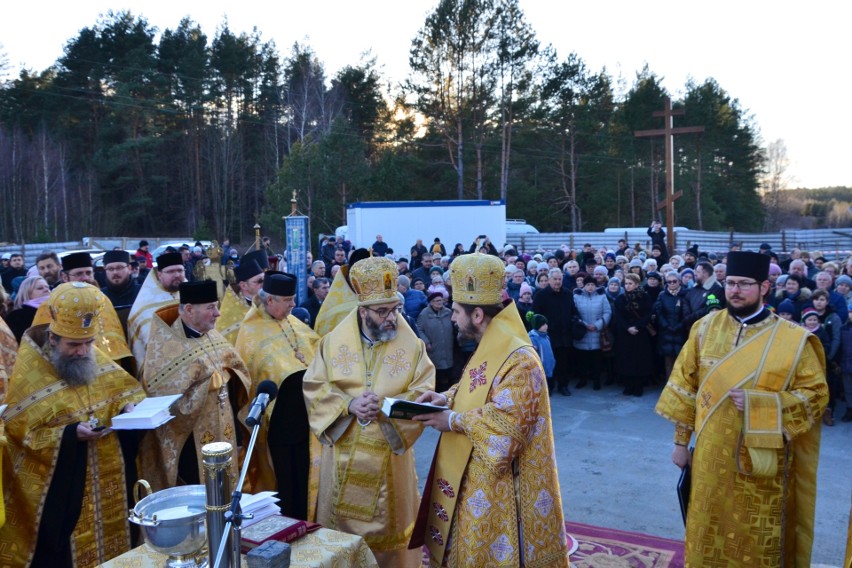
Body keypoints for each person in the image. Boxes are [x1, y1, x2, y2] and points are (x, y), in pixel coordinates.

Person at [655, 251, 828, 567]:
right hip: (709, 457)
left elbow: (815, 396)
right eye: (730, 283)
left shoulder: (792, 339)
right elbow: (685, 387)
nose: (734, 290)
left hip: (762, 462)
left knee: (755, 541)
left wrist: (762, 404)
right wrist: (681, 443)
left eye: (744, 284)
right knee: (707, 529)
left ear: (764, 286)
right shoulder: (705, 329)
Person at [411, 253, 569, 567]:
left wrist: (453, 420)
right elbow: (476, 385)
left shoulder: (521, 359)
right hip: (474, 473)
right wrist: (446, 397)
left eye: (456, 311)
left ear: (478, 315)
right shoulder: (491, 343)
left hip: (506, 490)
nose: (453, 318)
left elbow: (507, 428)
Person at [303, 255, 435, 566]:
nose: (392, 318)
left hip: (389, 461)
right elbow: (314, 387)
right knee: (342, 542)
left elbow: (424, 391)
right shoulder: (332, 344)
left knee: (391, 544)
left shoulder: (412, 346)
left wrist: (388, 408)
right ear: (362, 312)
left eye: (396, 309)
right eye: (382, 311)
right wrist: (347, 405)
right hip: (343, 458)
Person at [0, 283, 144, 567]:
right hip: (65, 494)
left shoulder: (93, 356)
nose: (82, 352)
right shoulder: (30, 376)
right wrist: (68, 434)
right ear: (52, 339)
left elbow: (126, 390)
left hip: (110, 478)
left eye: (88, 344)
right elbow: (19, 436)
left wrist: (128, 407)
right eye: (74, 345)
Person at [138, 280, 250, 491]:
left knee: (226, 490)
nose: (218, 313)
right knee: (200, 494)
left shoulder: (212, 335)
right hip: (190, 442)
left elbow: (238, 370)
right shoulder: (167, 347)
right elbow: (163, 399)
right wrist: (209, 384)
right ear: (189, 310)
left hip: (224, 426)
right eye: (210, 307)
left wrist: (229, 376)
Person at [235, 272, 320, 519]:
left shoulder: (293, 322)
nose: (294, 305)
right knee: (284, 479)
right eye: (288, 300)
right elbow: (250, 378)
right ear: (270, 300)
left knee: (304, 476)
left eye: (293, 299)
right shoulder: (250, 332)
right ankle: (286, 525)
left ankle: (307, 521)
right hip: (278, 425)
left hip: (305, 420)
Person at [127, 252, 186, 369]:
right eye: (170, 271)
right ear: (159, 274)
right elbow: (148, 340)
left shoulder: (192, 295)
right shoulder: (145, 303)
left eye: (180, 270)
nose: (177, 275)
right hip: (158, 367)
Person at [532, 267, 576, 396]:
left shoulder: (567, 293)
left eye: (559, 279)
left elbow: (573, 310)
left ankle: (563, 385)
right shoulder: (540, 295)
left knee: (563, 362)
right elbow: (536, 315)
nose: (557, 281)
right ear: (549, 280)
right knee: (548, 362)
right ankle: (549, 386)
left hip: (564, 334)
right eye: (555, 279)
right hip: (547, 336)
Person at [614, 273, 655, 396]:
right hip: (625, 332)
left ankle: (638, 386)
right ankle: (628, 385)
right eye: (626, 283)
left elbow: (648, 314)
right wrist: (628, 327)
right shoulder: (621, 298)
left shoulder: (645, 297)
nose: (627, 286)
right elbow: (618, 315)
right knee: (626, 359)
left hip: (640, 332)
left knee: (639, 359)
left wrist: (637, 326)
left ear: (637, 284)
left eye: (630, 283)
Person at [573, 273, 611, 390]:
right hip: (582, 332)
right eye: (588, 284)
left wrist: (597, 325)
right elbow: (574, 313)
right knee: (582, 359)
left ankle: (596, 381)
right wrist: (584, 325)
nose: (590, 287)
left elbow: (607, 312)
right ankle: (582, 379)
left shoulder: (602, 296)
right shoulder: (576, 296)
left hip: (597, 333)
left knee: (596, 360)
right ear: (584, 285)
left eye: (592, 284)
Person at [417, 292, 455, 392]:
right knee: (438, 374)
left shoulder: (448, 312)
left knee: (449, 372)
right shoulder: (424, 314)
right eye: (437, 300)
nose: (439, 302)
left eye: (441, 300)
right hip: (434, 348)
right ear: (431, 303)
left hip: (448, 347)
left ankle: (449, 393)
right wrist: (426, 342)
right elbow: (419, 329)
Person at [4, 275, 51, 342]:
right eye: (40, 288)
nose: (46, 290)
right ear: (27, 293)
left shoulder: (57, 310)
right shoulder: (16, 316)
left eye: (47, 287)